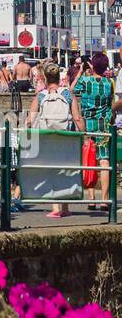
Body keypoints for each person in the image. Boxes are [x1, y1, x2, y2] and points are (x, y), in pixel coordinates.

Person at [27, 62, 85, 219]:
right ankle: (65, 207)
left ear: (45, 77)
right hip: (66, 137)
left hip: (47, 137)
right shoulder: (67, 94)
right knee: (66, 170)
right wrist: (85, 134)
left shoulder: (41, 96)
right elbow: (77, 117)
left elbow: (29, 120)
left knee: (51, 170)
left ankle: (55, 207)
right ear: (59, 77)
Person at [71, 52, 115, 217]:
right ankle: (104, 199)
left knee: (89, 158)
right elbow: (110, 101)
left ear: (92, 65)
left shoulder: (85, 81)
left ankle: (91, 199)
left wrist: (81, 72)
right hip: (103, 124)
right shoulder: (109, 83)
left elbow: (71, 91)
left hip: (88, 124)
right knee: (104, 160)